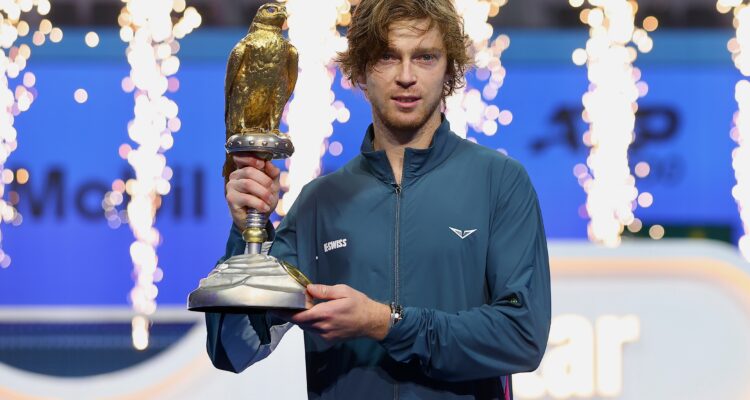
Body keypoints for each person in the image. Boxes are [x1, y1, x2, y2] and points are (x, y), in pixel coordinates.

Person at [206, 0, 551, 398]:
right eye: (388, 56)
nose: (406, 76)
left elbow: (522, 337)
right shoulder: (320, 201)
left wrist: (385, 323)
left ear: (449, 69)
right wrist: (245, 233)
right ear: (360, 71)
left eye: (425, 57)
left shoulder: (500, 182)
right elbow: (234, 350)